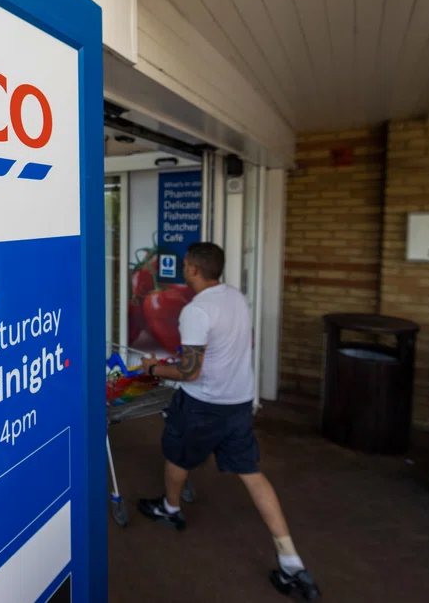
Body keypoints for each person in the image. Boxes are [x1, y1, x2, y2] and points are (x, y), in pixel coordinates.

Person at [138, 242, 320, 601]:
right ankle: (290, 559)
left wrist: (153, 368)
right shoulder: (235, 298)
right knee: (251, 472)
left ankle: (170, 509)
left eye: (186, 265)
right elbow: (223, 348)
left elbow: (190, 372)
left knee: (176, 453)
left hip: (204, 404)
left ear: (191, 268)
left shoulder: (197, 310)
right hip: (237, 403)